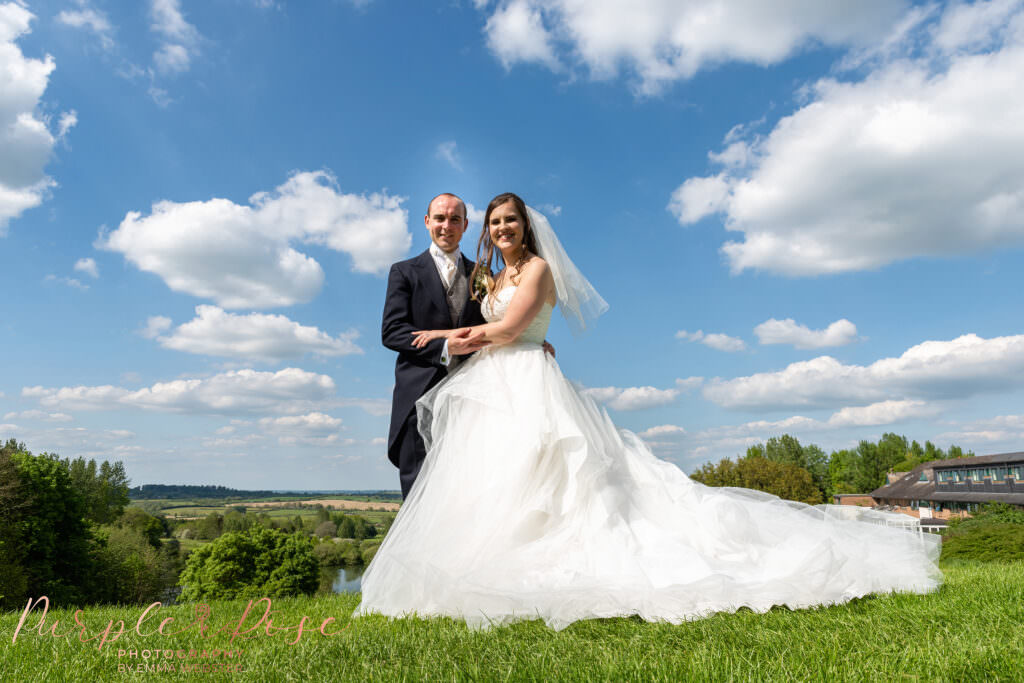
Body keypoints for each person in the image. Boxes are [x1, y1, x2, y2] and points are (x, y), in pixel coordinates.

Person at [358, 192, 942, 631]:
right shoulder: (471, 272)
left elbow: (511, 325)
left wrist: (509, 338)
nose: (495, 228)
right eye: (490, 222)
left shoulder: (530, 268)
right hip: (477, 384)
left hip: (519, 378)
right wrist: (505, 338)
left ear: (523, 226)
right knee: (481, 482)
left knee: (547, 477)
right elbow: (405, 331)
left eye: (502, 220)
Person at [381, 193, 488, 499]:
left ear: (465, 225)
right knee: (418, 498)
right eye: (440, 218)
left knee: (467, 497)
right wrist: (445, 346)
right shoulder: (403, 271)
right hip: (419, 399)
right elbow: (392, 331)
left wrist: (533, 342)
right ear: (427, 222)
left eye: (455, 219)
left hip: (473, 401)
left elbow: (499, 324)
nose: (447, 225)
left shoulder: (483, 275)